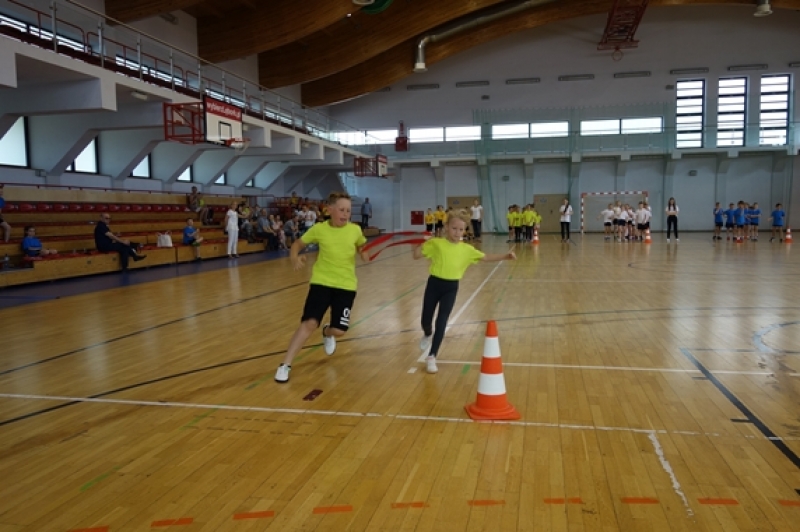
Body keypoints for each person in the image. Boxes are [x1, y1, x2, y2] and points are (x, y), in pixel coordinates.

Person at [274, 192, 370, 383]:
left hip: (346, 285)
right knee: (309, 323)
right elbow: (297, 244)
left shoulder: (355, 230)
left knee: (340, 330)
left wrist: (364, 253)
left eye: (348, 211)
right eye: (341, 210)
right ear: (330, 210)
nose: (345, 214)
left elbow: (362, 248)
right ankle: (285, 365)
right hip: (321, 282)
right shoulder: (319, 229)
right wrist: (294, 257)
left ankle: (327, 332)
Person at [413, 214, 516, 374]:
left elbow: (485, 257)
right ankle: (427, 333)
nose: (457, 232)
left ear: (465, 231)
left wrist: (505, 256)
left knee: (442, 321)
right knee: (426, 320)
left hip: (451, 287)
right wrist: (422, 243)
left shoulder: (467, 249)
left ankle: (432, 356)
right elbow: (416, 255)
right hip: (433, 284)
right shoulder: (436, 243)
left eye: (461, 229)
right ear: (446, 227)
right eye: (454, 228)